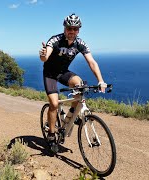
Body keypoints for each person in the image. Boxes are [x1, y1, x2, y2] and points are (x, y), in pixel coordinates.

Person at [39, 13, 107, 149]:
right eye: (70, 28)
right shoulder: (55, 40)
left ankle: (72, 114)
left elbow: (92, 62)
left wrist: (101, 81)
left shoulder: (80, 43)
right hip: (50, 74)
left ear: (79, 30)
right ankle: (52, 134)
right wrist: (43, 55)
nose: (72, 31)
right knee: (53, 104)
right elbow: (45, 57)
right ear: (65, 28)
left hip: (63, 72)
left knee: (79, 84)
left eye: (75, 29)